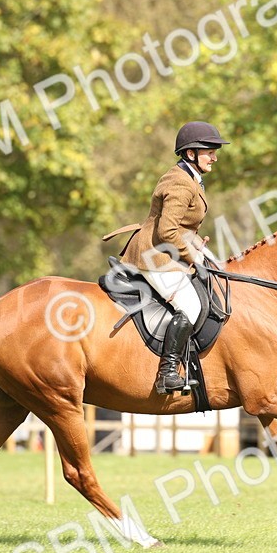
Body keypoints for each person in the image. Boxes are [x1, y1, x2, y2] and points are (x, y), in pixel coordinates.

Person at [107, 121, 228, 394]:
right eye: (210, 152)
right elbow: (167, 230)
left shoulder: (189, 178)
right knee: (191, 306)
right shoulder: (180, 182)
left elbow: (180, 226)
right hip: (154, 256)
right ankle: (167, 372)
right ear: (191, 153)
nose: (214, 157)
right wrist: (191, 256)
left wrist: (197, 245)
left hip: (166, 250)